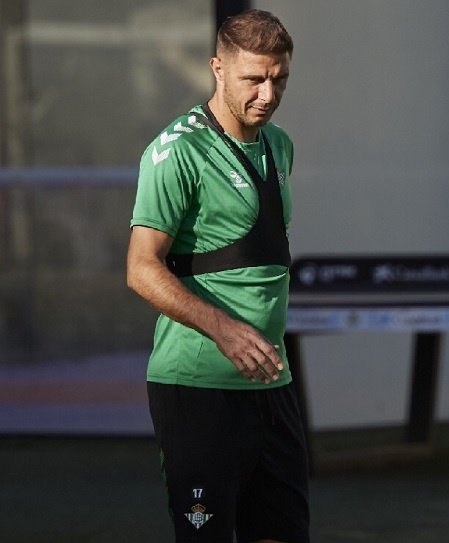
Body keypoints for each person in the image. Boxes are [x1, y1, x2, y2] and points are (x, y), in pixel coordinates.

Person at [126, 9, 308, 543]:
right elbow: (140, 269)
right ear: (218, 69)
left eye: (279, 79)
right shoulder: (177, 151)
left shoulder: (280, 146)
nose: (268, 94)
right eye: (254, 78)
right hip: (197, 388)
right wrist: (225, 330)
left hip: (271, 385)